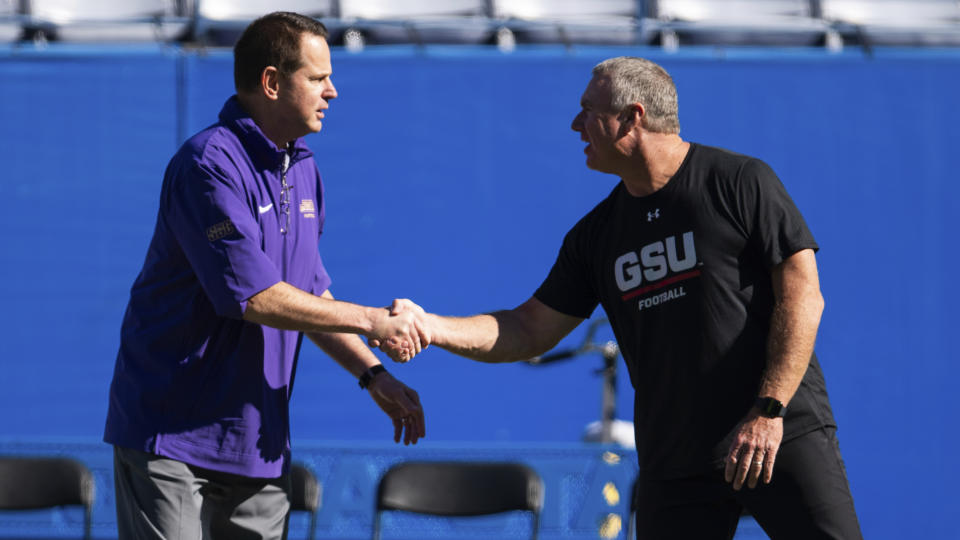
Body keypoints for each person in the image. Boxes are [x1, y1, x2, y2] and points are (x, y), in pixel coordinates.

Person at [381, 57, 863, 539]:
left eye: (587, 111)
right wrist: (433, 326)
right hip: (675, 460)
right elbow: (526, 330)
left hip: (775, 433)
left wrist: (770, 410)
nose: (575, 125)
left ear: (632, 118)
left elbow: (803, 298)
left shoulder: (741, 181)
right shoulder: (595, 236)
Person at [103, 12, 426, 539]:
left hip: (258, 443)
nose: (333, 92)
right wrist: (372, 320)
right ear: (273, 83)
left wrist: (373, 374)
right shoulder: (207, 165)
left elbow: (308, 295)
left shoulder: (304, 169)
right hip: (171, 438)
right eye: (318, 79)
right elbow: (253, 297)